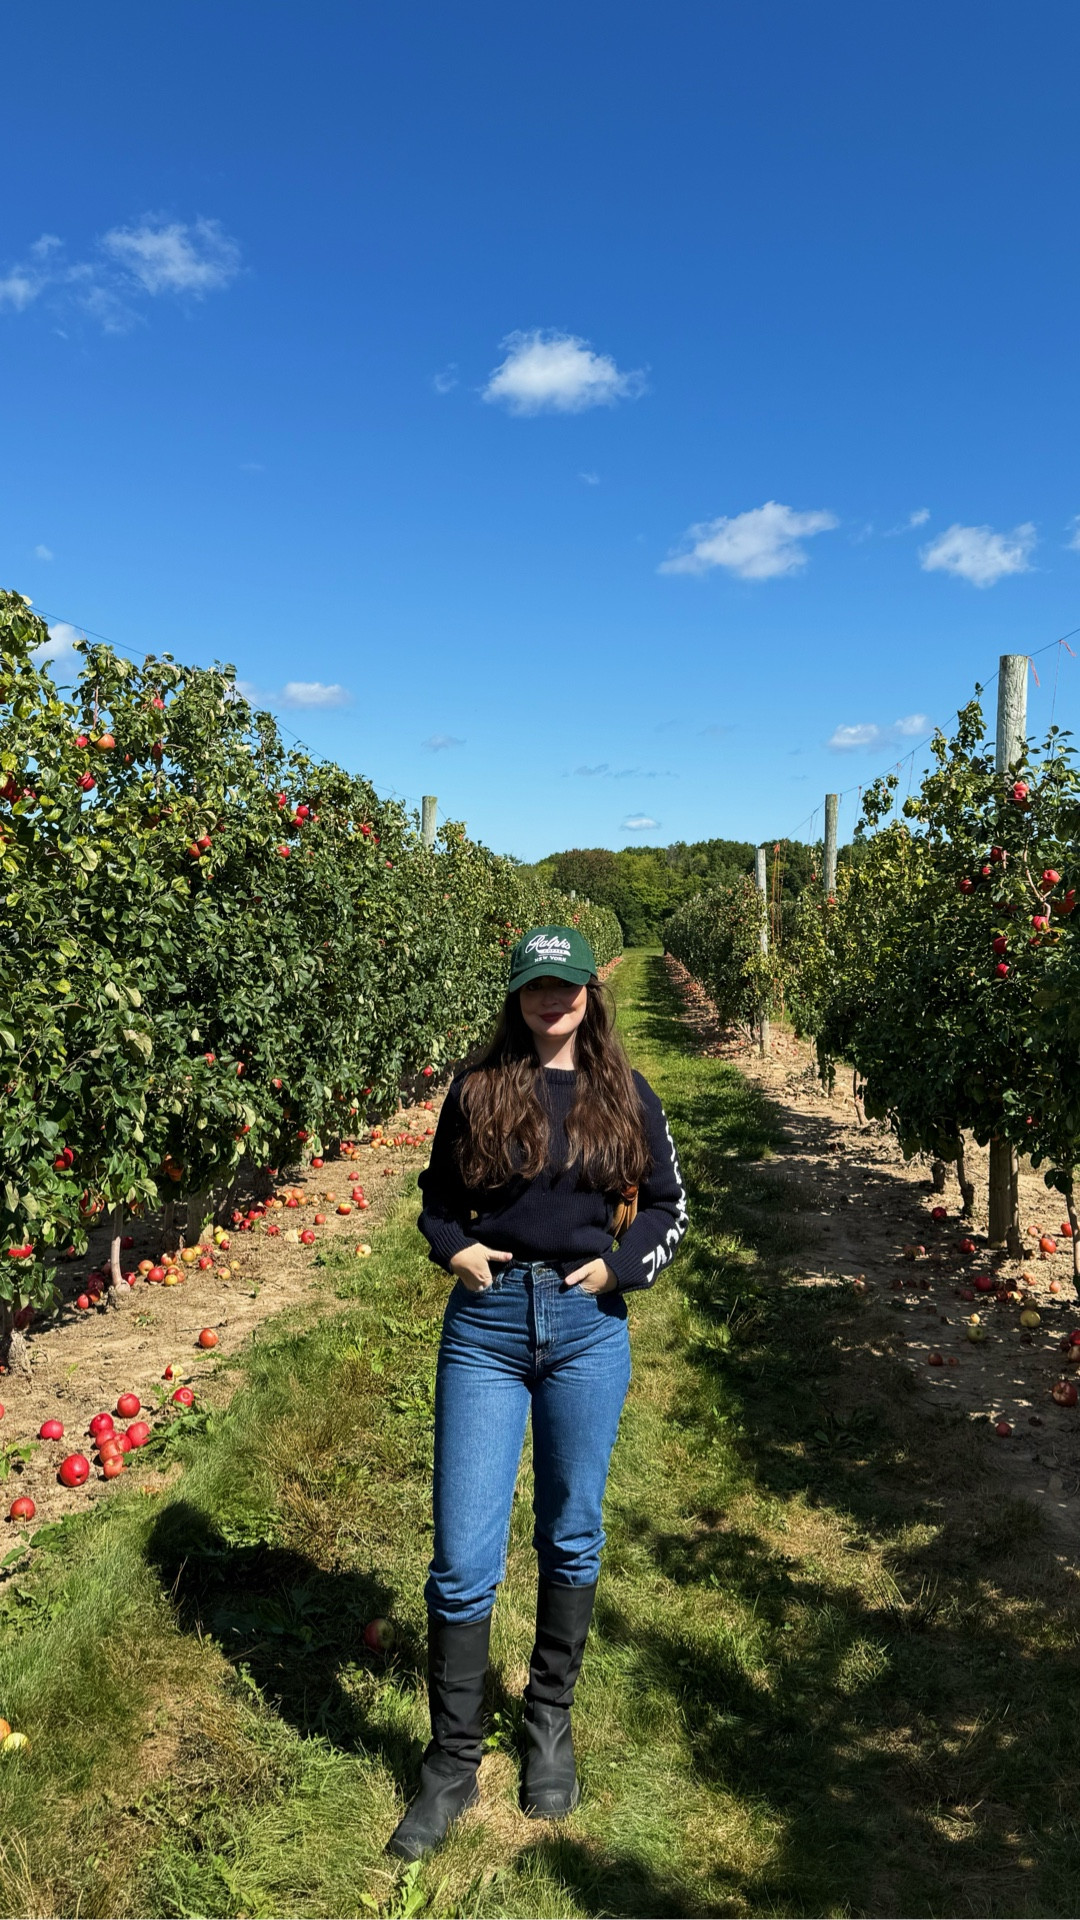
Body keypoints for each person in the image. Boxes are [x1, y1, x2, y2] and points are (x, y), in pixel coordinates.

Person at [387, 925, 688, 1861]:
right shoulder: (477, 1090)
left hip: (585, 1326)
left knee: (571, 1528)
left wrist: (619, 1271)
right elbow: (437, 1200)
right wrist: (455, 1249)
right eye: (534, 988)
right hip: (486, 1326)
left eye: (566, 986)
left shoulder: (626, 1093)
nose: (551, 1001)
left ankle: (547, 1719)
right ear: (517, 998)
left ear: (590, 992)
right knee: (461, 1553)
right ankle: (452, 1762)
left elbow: (669, 1205)